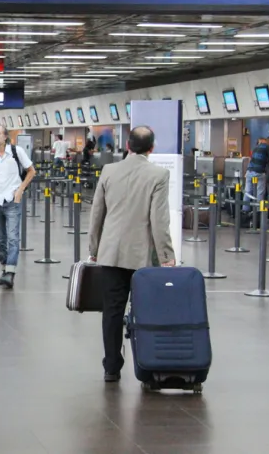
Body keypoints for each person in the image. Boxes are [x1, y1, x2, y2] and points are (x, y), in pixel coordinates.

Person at [88, 126, 176, 383]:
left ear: (127, 145)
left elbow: (97, 214)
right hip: (142, 256)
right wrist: (167, 255)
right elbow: (159, 220)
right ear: (152, 148)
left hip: (112, 253)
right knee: (145, 310)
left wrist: (94, 249)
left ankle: (111, 367)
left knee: (112, 310)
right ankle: (147, 364)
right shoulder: (159, 175)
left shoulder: (109, 171)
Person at [0, 125, 36, 288]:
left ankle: (10, 273)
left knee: (13, 238)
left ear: (5, 137)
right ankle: (4, 270)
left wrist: (20, 190)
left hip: (12, 201)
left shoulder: (17, 152)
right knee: (0, 240)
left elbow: (31, 171)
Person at [242, 136, 269, 219]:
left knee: (248, 191)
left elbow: (264, 158)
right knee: (260, 192)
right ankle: (258, 212)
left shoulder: (257, 147)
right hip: (259, 172)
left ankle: (245, 211)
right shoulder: (268, 147)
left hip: (249, 171)